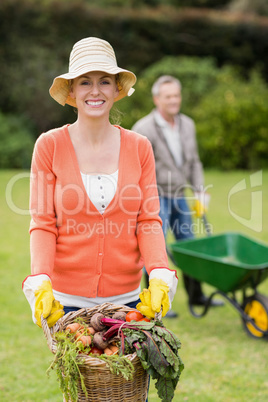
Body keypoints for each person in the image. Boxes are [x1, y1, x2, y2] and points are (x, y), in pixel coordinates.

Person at [22, 38, 178, 331]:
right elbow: (43, 223)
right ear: (71, 90)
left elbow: (148, 220)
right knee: (82, 379)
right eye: (84, 82)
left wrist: (158, 272)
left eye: (104, 81)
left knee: (128, 379)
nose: (95, 91)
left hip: (130, 305)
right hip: (66, 304)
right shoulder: (49, 145)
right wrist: (41, 280)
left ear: (117, 89)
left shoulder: (139, 146)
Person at [132, 75, 223, 317]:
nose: (174, 100)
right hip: (156, 197)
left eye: (176, 95)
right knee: (155, 249)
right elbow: (135, 168)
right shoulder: (143, 128)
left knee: (189, 246)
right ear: (156, 99)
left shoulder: (187, 124)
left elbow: (194, 161)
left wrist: (200, 190)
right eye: (168, 96)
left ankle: (197, 296)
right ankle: (154, 301)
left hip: (181, 196)